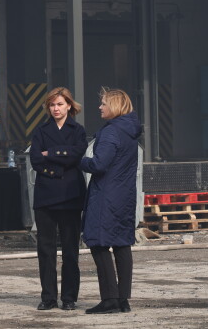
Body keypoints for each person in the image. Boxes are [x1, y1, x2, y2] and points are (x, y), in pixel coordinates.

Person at [80, 87, 142, 315]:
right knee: (122, 244)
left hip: (106, 196)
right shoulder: (130, 131)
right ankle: (123, 299)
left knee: (98, 243)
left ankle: (109, 299)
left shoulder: (111, 132)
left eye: (104, 103)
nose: (100, 107)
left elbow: (99, 164)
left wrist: (79, 160)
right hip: (125, 196)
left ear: (114, 106)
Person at [29, 87, 88, 311]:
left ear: (69, 106)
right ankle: (48, 298)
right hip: (45, 196)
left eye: (60, 104)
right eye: (52, 105)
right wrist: (61, 162)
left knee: (70, 250)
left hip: (71, 195)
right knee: (46, 250)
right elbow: (36, 159)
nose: (56, 109)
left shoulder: (78, 130)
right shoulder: (41, 131)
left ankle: (69, 297)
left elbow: (77, 154)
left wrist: (51, 153)